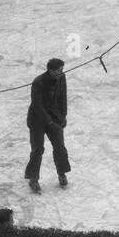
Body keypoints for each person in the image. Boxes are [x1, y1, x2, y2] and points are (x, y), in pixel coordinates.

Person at [25, 58, 69, 193]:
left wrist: (63, 116)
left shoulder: (62, 78)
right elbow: (37, 106)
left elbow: (63, 97)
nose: (61, 73)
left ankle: (61, 173)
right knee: (37, 150)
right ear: (50, 70)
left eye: (62, 70)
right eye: (58, 71)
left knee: (60, 147)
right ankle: (33, 178)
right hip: (37, 120)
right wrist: (49, 122)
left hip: (55, 116)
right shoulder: (38, 82)